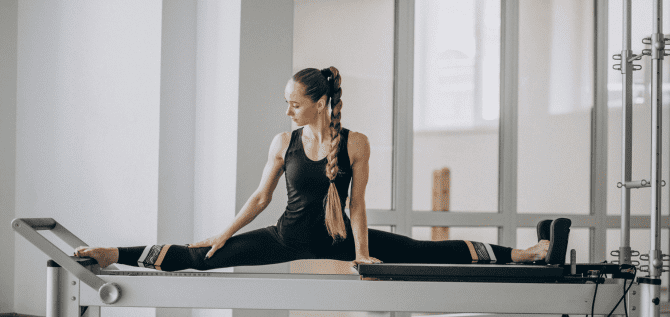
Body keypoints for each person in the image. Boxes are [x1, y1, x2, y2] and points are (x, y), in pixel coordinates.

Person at [75, 67, 553, 271]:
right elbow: (260, 199)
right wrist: (221, 233)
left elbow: (357, 204)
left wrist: (362, 254)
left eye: (295, 103)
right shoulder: (284, 142)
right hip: (285, 236)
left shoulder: (356, 143)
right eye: (286, 103)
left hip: (341, 237)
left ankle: (525, 255)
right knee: (200, 258)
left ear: (321, 102)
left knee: (421, 252)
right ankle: (109, 252)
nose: (288, 110)